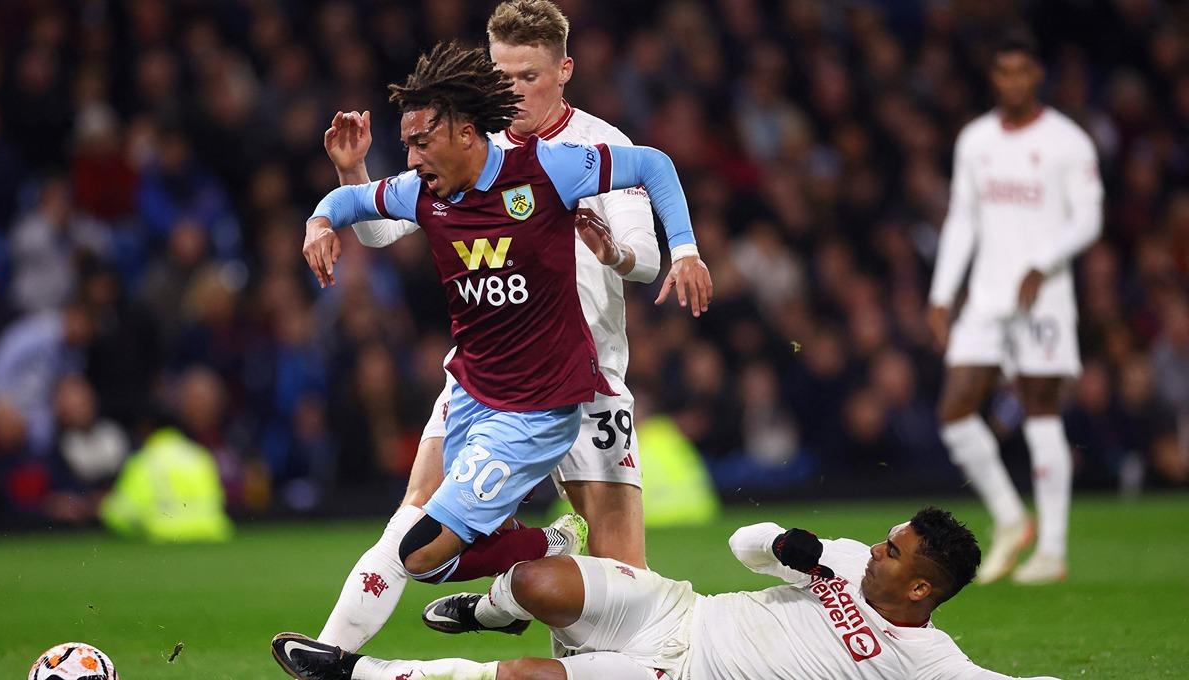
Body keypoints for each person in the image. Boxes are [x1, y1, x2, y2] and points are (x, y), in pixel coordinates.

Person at [309, 0, 711, 655]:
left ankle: (513, 610)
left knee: (620, 586)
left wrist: (616, 252)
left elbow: (645, 260)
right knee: (416, 517)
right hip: (487, 371)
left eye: (528, 76)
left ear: (563, 71)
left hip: (588, 379)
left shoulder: (595, 147)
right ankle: (331, 654)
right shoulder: (469, 145)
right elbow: (387, 226)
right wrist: (352, 176)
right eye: (501, 75)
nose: (512, 89)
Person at [272, 507, 1061, 680]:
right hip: (680, 608)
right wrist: (793, 546)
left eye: (893, 552)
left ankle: (355, 675)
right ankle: (488, 612)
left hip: (681, 676)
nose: (876, 551)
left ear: (921, 587)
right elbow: (744, 544)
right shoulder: (844, 561)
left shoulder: (927, 658)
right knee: (538, 582)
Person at [927, 29, 1103, 585]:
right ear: (994, 79)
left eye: (1022, 71)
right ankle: (1010, 517)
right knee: (954, 412)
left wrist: (1043, 261)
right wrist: (940, 293)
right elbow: (963, 219)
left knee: (1039, 408)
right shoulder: (976, 140)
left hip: (1043, 297)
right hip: (986, 294)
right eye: (1003, 72)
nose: (1013, 81)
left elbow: (1088, 218)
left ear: (1037, 76)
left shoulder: (1067, 141)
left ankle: (1051, 548)